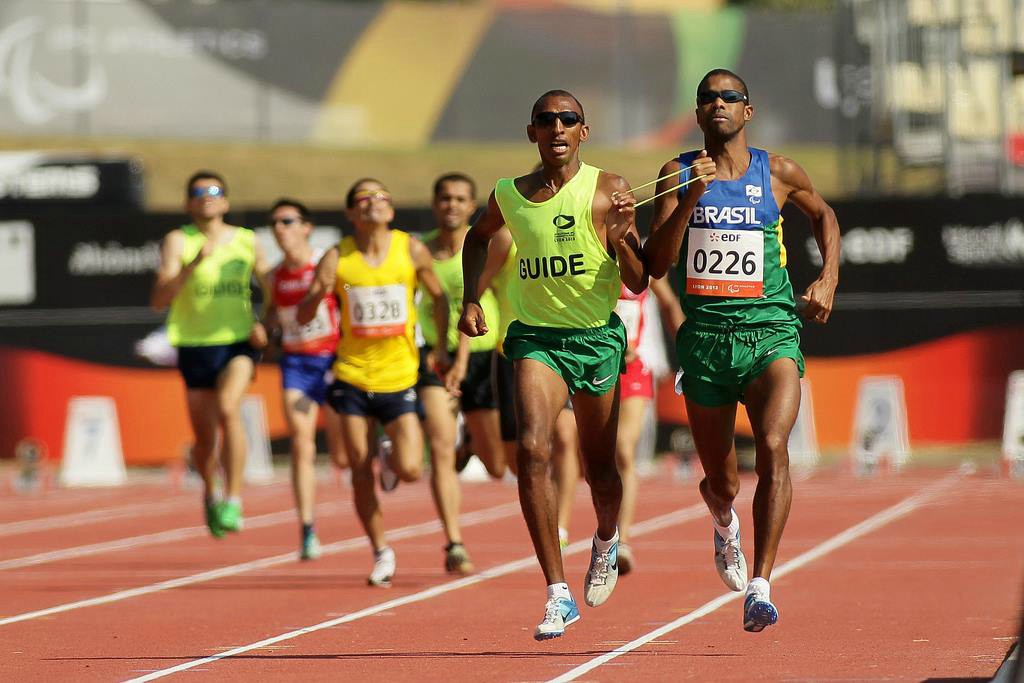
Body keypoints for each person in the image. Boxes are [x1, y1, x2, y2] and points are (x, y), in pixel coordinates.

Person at [644, 69, 840, 632]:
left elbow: (824, 215)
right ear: (697, 113)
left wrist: (828, 278)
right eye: (707, 98)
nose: (718, 104)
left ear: (747, 111)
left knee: (774, 446)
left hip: (770, 331)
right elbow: (656, 263)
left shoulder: (778, 171)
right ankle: (723, 518)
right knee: (724, 481)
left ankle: (761, 585)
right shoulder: (677, 172)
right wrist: (691, 198)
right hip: (706, 341)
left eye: (729, 97)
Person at [460, 90, 646, 640]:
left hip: (595, 339)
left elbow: (639, 280)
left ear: (583, 131)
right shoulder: (508, 194)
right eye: (546, 119)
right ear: (532, 132)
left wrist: (623, 236)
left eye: (568, 119)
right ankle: (557, 592)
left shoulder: (609, 188)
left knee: (600, 468)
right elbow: (477, 237)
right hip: (536, 340)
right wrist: (470, 298)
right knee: (533, 450)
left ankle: (606, 538)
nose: (557, 127)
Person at [298, 178, 449, 587]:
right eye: (363, 198)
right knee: (359, 468)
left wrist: (440, 347)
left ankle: (391, 455)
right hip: (351, 374)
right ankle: (381, 551)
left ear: (391, 209)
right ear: (351, 212)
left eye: (381, 196)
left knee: (412, 469)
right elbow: (304, 314)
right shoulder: (338, 256)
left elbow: (439, 297)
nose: (372, 203)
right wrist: (316, 293)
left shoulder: (410, 249)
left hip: (400, 375)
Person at [151, 171, 270, 538]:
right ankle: (210, 490)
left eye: (215, 190)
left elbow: (273, 288)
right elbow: (159, 300)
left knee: (230, 409)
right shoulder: (178, 240)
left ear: (226, 202)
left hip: (236, 342)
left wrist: (266, 324)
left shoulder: (247, 241)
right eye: (198, 191)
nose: (207, 196)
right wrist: (192, 266)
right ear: (188, 203)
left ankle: (233, 498)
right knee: (204, 438)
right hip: (194, 344)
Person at [416, 173, 506, 575]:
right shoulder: (418, 250)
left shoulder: (486, 244)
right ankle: (453, 542)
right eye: (445, 198)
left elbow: (486, 298)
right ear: (434, 204)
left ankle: (470, 441)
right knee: (439, 447)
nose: (451, 205)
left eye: (459, 199)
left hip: (482, 355)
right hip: (437, 355)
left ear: (472, 206)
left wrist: (467, 360)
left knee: (496, 465)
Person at [479, 226, 582, 552]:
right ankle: (473, 440)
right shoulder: (508, 237)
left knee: (565, 437)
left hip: (561, 349)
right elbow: (480, 285)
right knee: (518, 458)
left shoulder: (571, 231)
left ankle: (560, 525)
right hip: (513, 352)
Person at [263, 198, 347, 561]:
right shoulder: (273, 276)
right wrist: (264, 329)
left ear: (306, 227)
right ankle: (307, 528)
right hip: (297, 363)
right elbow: (271, 313)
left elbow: (348, 299)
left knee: (343, 454)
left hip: (335, 359)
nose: (279, 229)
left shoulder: (324, 263)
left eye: (287, 221)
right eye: (275, 224)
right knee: (302, 444)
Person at [612, 274, 684, 575]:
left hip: (634, 367)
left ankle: (622, 541)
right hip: (594, 363)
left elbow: (669, 303)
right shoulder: (589, 258)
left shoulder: (643, 268)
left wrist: (689, 350)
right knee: (590, 456)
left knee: (623, 450)